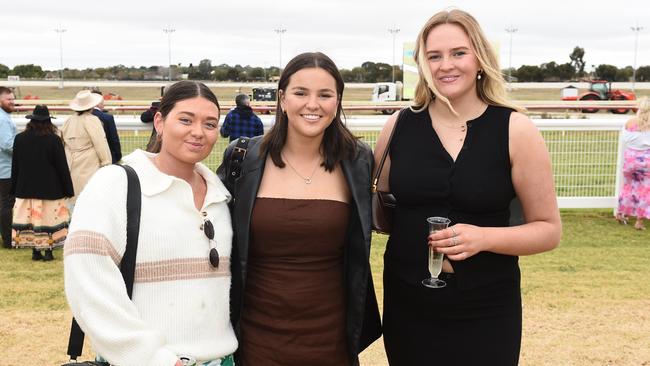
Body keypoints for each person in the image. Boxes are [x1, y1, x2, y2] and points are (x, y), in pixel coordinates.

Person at [374, 9, 562, 365]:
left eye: (458, 53)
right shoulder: (398, 126)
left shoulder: (516, 129)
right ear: (422, 64)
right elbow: (379, 201)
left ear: (480, 58)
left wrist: (483, 238)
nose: (446, 65)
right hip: (408, 303)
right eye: (434, 56)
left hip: (486, 306)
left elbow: (548, 231)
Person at [217, 52, 381, 366]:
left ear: (338, 101)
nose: (312, 104)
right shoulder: (242, 157)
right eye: (301, 92)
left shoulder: (359, 160)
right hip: (255, 338)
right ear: (282, 98)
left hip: (331, 339)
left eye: (325, 94)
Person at [64, 80, 237, 366]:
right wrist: (152, 358)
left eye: (210, 124)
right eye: (185, 120)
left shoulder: (221, 196)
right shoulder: (114, 185)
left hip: (221, 358)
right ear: (159, 121)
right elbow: (89, 285)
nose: (198, 132)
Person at [10, 105, 73, 261]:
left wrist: (14, 188)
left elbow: (15, 165)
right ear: (48, 122)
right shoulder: (54, 140)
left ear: (31, 121)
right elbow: (61, 167)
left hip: (26, 187)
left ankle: (35, 251)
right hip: (50, 188)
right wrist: (68, 189)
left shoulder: (20, 139)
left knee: (31, 219)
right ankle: (49, 251)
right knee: (49, 219)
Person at [61, 90, 112, 205]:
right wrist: (106, 163)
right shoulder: (92, 120)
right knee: (90, 200)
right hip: (89, 165)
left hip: (71, 164)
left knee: (74, 202)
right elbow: (100, 143)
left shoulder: (68, 120)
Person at [616, 97, 650, 230]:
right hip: (646, 160)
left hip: (630, 159)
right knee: (645, 190)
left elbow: (625, 139)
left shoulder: (629, 123)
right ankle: (639, 221)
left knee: (628, 187)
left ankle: (621, 213)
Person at [0, 86, 16, 249]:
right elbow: (7, 145)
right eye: (8, 99)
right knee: (6, 205)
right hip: (5, 169)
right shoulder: (3, 119)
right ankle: (7, 239)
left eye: (13, 99)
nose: (13, 102)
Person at [91, 89, 123, 163]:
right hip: (107, 157)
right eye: (103, 102)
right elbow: (114, 140)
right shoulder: (108, 118)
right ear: (99, 103)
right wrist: (118, 156)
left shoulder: (79, 118)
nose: (103, 104)